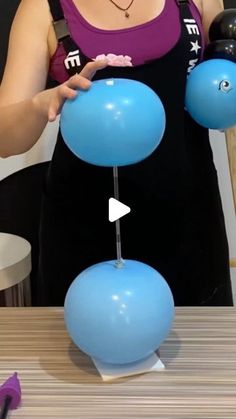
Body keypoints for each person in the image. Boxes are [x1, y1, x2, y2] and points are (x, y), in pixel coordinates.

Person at [0, 0, 233, 306]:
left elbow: (224, 95)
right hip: (84, 227)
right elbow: (7, 140)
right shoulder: (42, 8)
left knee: (200, 346)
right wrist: (42, 104)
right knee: (91, 337)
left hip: (188, 222)